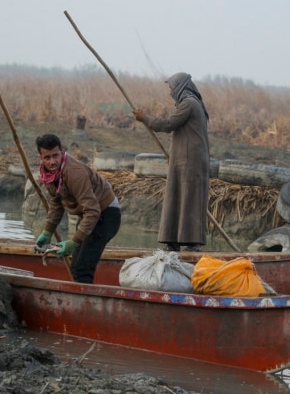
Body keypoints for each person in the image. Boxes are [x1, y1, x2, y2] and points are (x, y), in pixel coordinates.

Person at [133, 72, 210, 252]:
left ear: (180, 87)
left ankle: (192, 242)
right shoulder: (192, 103)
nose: (170, 93)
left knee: (189, 198)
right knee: (178, 195)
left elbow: (168, 124)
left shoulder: (189, 103)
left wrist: (145, 119)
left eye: (171, 88)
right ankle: (173, 240)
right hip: (184, 159)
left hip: (190, 161)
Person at [34, 134, 121, 283]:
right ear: (40, 158)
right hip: (90, 214)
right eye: (47, 158)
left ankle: (87, 304)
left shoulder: (74, 172)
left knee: (82, 268)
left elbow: (93, 211)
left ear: (62, 151)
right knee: (75, 266)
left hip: (106, 214)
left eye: (56, 156)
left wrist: (73, 242)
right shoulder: (48, 173)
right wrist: (47, 231)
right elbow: (56, 202)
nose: (52, 161)